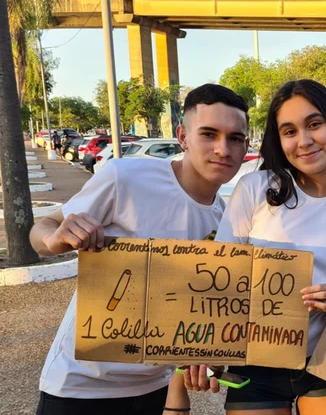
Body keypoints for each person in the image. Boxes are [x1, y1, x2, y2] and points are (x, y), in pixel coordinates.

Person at [29, 84, 251, 415]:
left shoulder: (226, 220)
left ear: (246, 144)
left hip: (152, 389)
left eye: (235, 138)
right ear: (183, 136)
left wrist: (209, 362)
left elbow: (198, 314)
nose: (223, 149)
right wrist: (55, 238)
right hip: (79, 385)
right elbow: (42, 228)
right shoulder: (126, 177)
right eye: (209, 134)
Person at [206, 79, 326, 415]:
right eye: (289, 131)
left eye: (314, 124)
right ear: (279, 139)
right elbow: (222, 280)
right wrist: (206, 356)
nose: (303, 141)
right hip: (255, 363)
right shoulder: (255, 189)